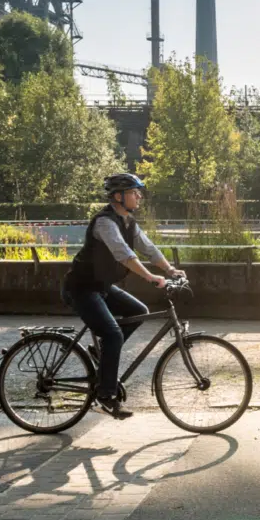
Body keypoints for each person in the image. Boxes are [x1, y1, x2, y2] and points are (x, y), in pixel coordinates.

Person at [63, 172, 185, 418]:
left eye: (138, 192)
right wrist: (150, 277)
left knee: (139, 311)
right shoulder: (105, 223)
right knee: (113, 334)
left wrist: (170, 270)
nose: (139, 196)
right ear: (118, 197)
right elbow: (124, 254)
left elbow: (148, 249)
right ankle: (106, 396)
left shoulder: (128, 222)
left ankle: (101, 354)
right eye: (134, 192)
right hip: (82, 288)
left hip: (102, 286)